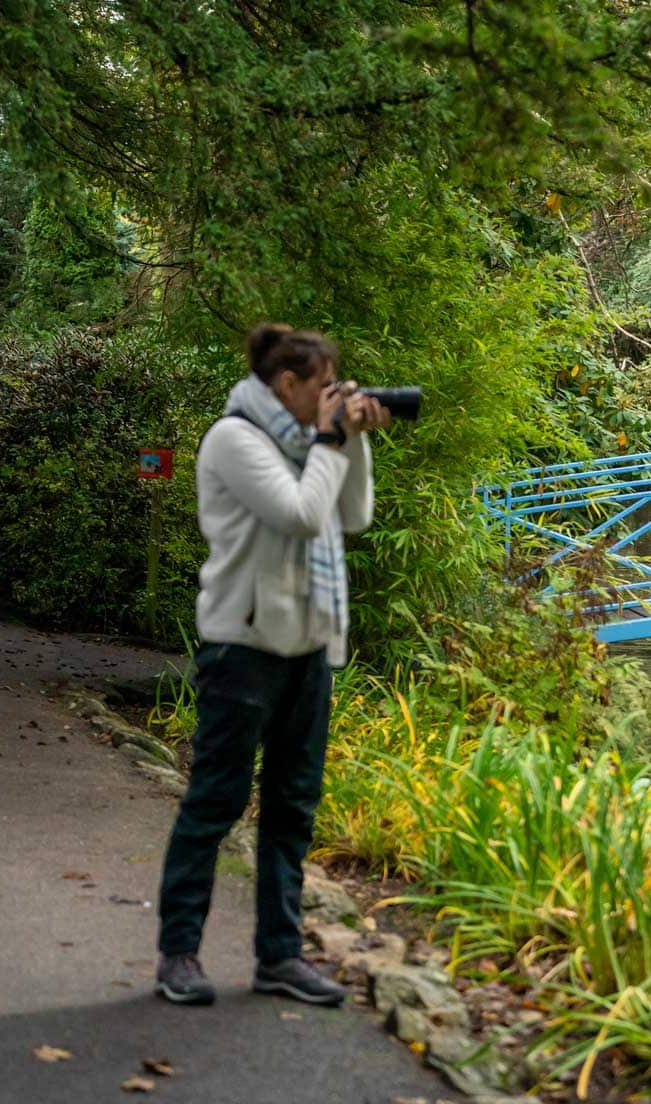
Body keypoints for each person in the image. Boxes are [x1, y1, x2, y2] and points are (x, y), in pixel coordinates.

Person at [154, 324, 391, 1006]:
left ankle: (279, 958)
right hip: (244, 649)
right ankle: (178, 955)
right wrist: (330, 440)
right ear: (286, 385)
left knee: (293, 807)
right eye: (325, 387)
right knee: (215, 803)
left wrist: (356, 440)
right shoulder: (234, 439)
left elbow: (352, 515)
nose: (335, 397)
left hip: (308, 646)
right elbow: (298, 514)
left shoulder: (307, 442)